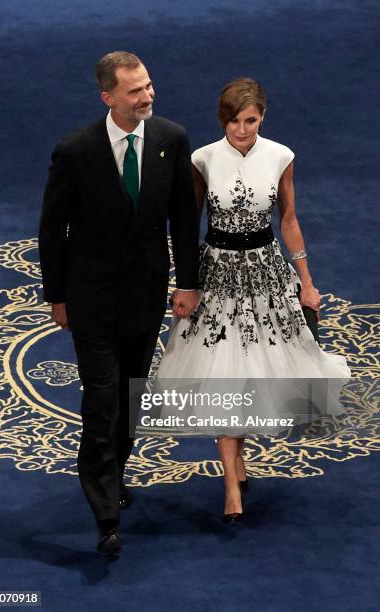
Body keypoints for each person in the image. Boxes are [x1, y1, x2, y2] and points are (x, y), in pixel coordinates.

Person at [154, 78, 351, 523]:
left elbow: (289, 220)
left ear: (263, 118)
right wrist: (186, 282)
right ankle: (230, 482)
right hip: (217, 277)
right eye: (232, 121)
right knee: (222, 373)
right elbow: (188, 226)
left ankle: (237, 465)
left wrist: (306, 281)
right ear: (222, 119)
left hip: (265, 274)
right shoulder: (202, 159)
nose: (240, 130)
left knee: (252, 371)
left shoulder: (281, 156)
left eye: (249, 121)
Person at [38, 51, 199, 555]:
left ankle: (113, 473)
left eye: (149, 86)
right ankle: (105, 512)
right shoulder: (76, 151)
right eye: (135, 90)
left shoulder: (171, 141)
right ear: (108, 96)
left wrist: (188, 283)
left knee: (130, 397)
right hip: (92, 299)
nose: (147, 96)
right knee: (103, 399)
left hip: (146, 294)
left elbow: (183, 220)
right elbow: (52, 230)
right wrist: (57, 295)